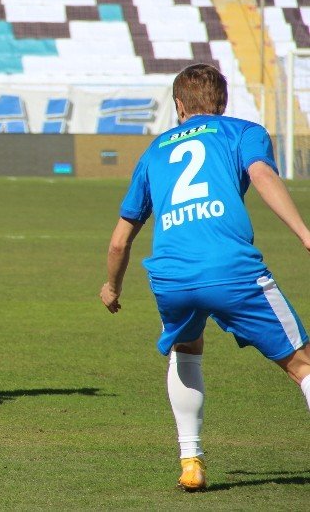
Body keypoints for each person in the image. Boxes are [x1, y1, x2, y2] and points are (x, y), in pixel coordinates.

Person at [100, 63, 310, 492]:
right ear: (223, 102)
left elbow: (121, 241)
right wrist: (304, 233)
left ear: (179, 105)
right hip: (230, 269)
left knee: (185, 348)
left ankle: (190, 461)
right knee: (303, 365)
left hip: (172, 277)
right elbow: (263, 175)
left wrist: (112, 287)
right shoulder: (243, 132)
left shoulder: (154, 151)